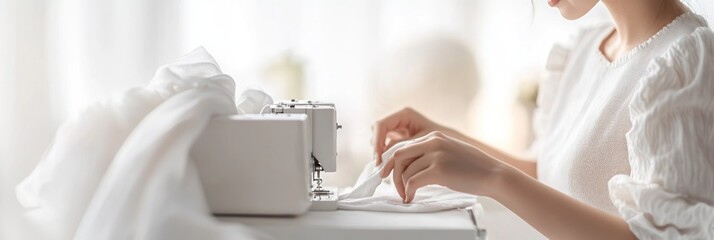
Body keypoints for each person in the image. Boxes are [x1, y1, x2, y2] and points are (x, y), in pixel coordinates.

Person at [373, 0, 713, 239]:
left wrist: (492, 176)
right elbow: (550, 175)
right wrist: (442, 138)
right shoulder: (582, 51)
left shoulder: (684, 65)